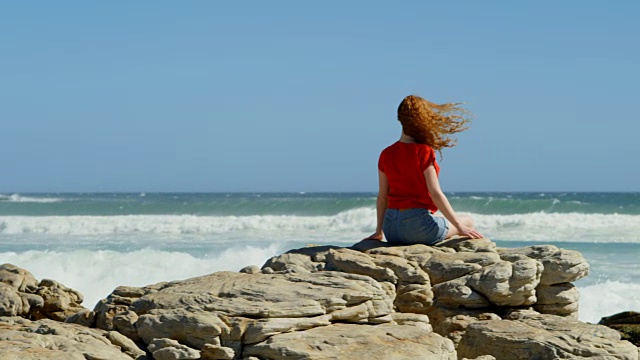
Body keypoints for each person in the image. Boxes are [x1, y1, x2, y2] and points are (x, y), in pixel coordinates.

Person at [365, 95, 483, 245]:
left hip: (391, 230)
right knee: (468, 220)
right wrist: (460, 227)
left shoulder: (386, 153)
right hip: (417, 228)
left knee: (441, 219)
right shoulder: (423, 151)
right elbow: (435, 193)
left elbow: (383, 197)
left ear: (399, 119)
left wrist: (379, 231)